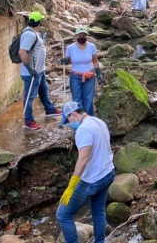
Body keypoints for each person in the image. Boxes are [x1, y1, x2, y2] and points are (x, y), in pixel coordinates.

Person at [56, 102, 115, 243]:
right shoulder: (99, 122)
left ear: (73, 114)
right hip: (108, 173)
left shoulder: (83, 129)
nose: (70, 124)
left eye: (68, 120)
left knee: (63, 214)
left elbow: (83, 158)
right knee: (98, 212)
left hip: (92, 180)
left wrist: (72, 184)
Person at [19, 11, 61, 130]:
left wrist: (42, 39)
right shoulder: (30, 35)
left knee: (44, 90)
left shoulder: (34, 33)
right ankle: (28, 120)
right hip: (32, 73)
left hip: (39, 71)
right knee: (30, 96)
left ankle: (49, 109)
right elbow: (22, 52)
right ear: (38, 22)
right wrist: (29, 68)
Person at [61, 27, 103, 116]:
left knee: (88, 99)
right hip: (76, 77)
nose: (81, 37)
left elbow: (95, 61)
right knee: (77, 100)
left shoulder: (92, 46)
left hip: (89, 76)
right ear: (76, 36)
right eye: (79, 35)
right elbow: (68, 60)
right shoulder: (70, 48)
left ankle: (89, 119)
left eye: (84, 36)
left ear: (87, 36)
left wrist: (99, 73)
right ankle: (79, 120)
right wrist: (65, 61)